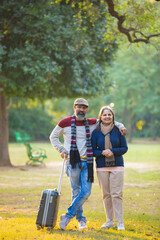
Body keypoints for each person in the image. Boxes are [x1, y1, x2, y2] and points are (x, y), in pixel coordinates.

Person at [49, 98, 127, 231]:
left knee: (86, 192)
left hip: (87, 162)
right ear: (74, 107)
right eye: (79, 107)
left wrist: (121, 126)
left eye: (84, 107)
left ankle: (67, 216)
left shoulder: (91, 122)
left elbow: (109, 120)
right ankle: (81, 220)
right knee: (76, 191)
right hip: (71, 162)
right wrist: (61, 149)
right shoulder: (65, 122)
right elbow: (53, 136)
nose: (81, 109)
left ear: (87, 109)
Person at [91, 106, 128, 231]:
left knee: (116, 194)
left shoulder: (119, 130)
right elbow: (92, 150)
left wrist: (112, 151)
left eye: (109, 115)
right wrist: (102, 152)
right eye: (104, 115)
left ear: (113, 117)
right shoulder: (95, 132)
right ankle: (109, 221)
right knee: (106, 195)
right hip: (101, 167)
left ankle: (120, 222)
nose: (107, 117)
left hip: (117, 166)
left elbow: (124, 148)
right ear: (100, 117)